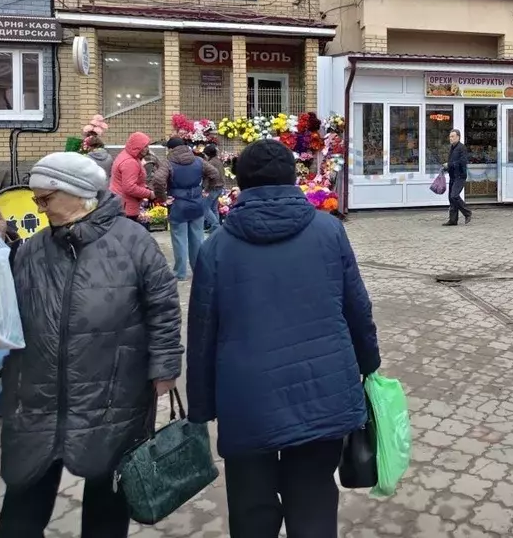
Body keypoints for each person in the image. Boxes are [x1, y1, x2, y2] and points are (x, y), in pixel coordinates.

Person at [186, 139, 381, 538]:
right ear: (294, 179)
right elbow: (357, 307)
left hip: (246, 399)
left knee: (250, 502)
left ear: (240, 182)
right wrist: (368, 365)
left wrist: (202, 406)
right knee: (312, 499)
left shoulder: (217, 247)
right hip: (322, 389)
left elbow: (202, 330)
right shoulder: (329, 231)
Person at [0, 152, 182, 538]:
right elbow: (10, 298)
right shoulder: (36, 247)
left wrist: (165, 366)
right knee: (22, 507)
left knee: (106, 504)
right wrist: (2, 245)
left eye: (45, 199)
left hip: (113, 392)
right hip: (40, 394)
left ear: (77, 194)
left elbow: (163, 305)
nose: (39, 209)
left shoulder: (132, 241)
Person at [152, 137, 205, 281]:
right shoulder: (199, 161)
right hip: (197, 204)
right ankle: (199, 271)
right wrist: (206, 189)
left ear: (170, 149)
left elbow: (157, 180)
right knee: (198, 239)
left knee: (180, 240)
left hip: (178, 205)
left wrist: (162, 198)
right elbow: (214, 174)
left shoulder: (168, 163)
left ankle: (180, 273)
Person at [110, 131, 154, 223]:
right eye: (145, 146)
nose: (147, 149)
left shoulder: (127, 155)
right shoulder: (130, 162)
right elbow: (129, 187)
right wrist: (149, 194)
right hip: (126, 206)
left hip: (121, 203)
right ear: (137, 147)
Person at [442, 128, 473, 226]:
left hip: (460, 176)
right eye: (450, 136)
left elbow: (462, 162)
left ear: (458, 137)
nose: (450, 138)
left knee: (454, 195)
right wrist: (446, 168)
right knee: (451, 198)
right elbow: (452, 163)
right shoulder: (452, 147)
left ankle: (467, 213)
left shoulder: (462, 148)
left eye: (452, 136)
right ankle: (453, 220)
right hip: (453, 176)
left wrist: (449, 165)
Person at [200, 143, 226, 235]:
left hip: (212, 188)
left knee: (205, 207)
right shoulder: (218, 161)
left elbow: (209, 177)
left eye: (205, 154)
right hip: (219, 187)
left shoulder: (210, 163)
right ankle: (215, 228)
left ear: (208, 154)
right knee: (213, 208)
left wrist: (205, 189)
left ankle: (216, 226)